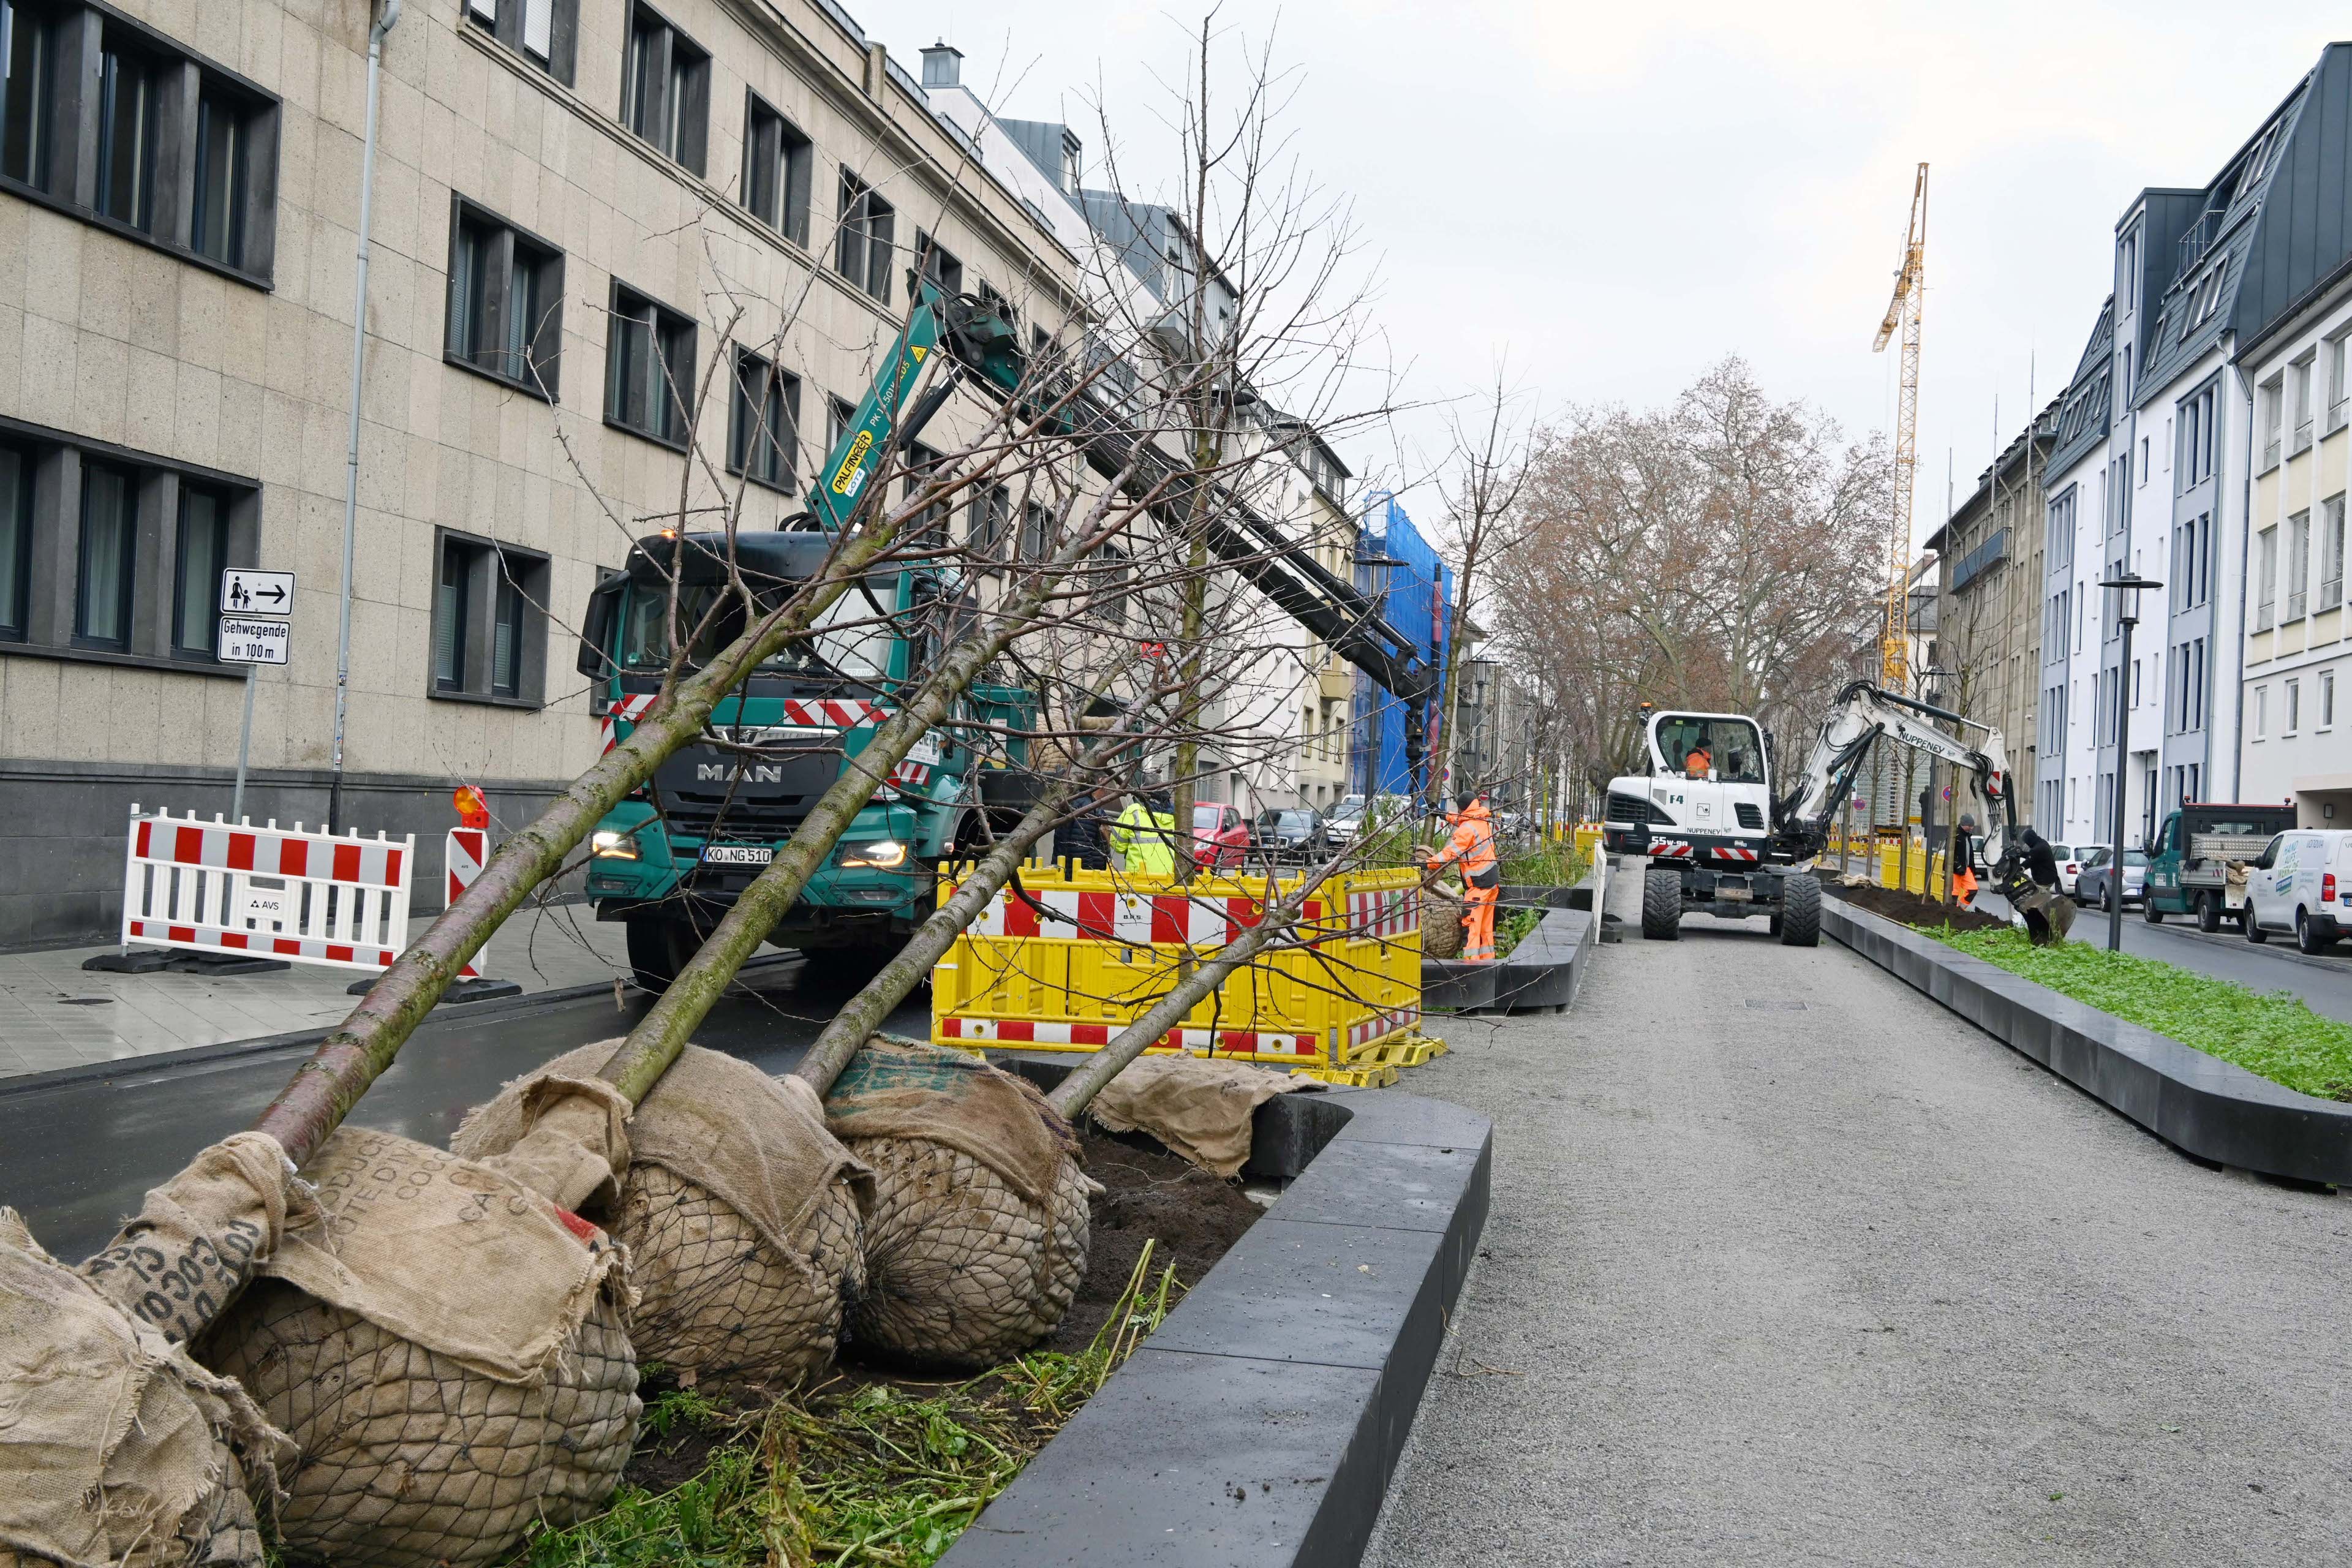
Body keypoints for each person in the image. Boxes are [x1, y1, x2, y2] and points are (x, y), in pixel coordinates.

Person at [1424, 790, 1501, 962]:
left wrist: (1426, 863)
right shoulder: (1481, 819)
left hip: (1478, 887)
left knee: (1472, 928)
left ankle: (1471, 967)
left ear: (1462, 809)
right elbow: (1461, 820)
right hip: (1492, 884)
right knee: (1485, 930)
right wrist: (1443, 814)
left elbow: (1448, 855)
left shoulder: (1466, 830)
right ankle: (1488, 963)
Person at [1109, 789, 1178, 879]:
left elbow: (1117, 845)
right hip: (1170, 879)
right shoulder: (1177, 816)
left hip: (1138, 879)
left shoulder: (1134, 811)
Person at [1951, 813, 1981, 906]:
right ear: (1964, 825)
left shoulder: (1967, 837)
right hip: (1956, 870)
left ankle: (1960, 909)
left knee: (1973, 889)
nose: (1972, 828)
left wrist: (1973, 869)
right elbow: (1951, 854)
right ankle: (1952, 911)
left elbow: (1970, 855)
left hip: (1966, 868)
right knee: (1954, 893)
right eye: (1970, 826)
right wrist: (1958, 866)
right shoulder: (1955, 835)